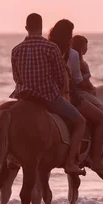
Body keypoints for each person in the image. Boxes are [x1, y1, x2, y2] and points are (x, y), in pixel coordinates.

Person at [10, 14, 86, 175]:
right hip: (48, 98)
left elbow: (16, 78)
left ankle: (10, 156)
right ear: (41, 27)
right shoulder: (51, 48)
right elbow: (59, 77)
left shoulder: (16, 50)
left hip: (23, 97)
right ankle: (71, 162)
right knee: (80, 121)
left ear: (26, 28)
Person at [68, 35, 103, 171]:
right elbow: (85, 83)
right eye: (86, 45)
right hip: (79, 94)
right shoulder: (82, 63)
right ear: (81, 47)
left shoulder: (65, 57)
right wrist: (92, 90)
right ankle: (96, 158)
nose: (87, 48)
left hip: (69, 92)